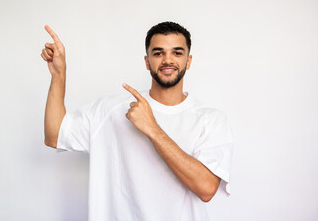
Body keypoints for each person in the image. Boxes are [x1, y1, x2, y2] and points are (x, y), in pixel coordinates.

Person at [41, 21, 234, 221]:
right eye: (158, 53)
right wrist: (58, 75)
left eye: (177, 53)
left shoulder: (210, 119)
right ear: (147, 61)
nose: (168, 60)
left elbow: (206, 189)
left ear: (189, 60)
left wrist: (152, 128)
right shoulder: (111, 110)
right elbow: (54, 135)